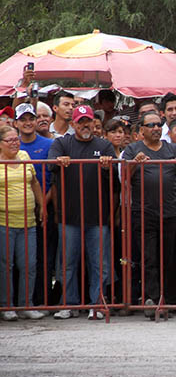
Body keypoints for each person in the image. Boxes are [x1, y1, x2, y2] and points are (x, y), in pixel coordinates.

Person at [48, 105, 119, 320]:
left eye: (88, 120)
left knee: (99, 264)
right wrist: (59, 161)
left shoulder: (105, 145)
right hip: (69, 217)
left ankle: (97, 304)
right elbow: (50, 162)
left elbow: (115, 181)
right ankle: (68, 304)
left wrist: (108, 168)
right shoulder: (62, 143)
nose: (85, 125)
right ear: (73, 124)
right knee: (67, 263)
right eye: (80, 121)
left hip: (98, 217)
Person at [122, 110, 176, 319]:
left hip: (169, 212)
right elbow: (123, 178)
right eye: (151, 125)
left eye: (159, 125)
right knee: (149, 257)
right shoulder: (132, 149)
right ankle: (152, 298)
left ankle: (166, 299)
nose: (156, 128)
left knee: (167, 258)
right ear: (141, 130)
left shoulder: (172, 147)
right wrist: (134, 164)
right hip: (143, 212)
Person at [0, 126, 45, 321]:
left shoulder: (25, 156)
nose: (14, 143)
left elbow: (34, 182)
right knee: (6, 265)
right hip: (4, 221)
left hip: (28, 221)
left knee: (29, 265)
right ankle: (6, 306)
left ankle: (26, 304)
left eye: (16, 139)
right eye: (9, 140)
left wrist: (42, 205)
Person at [14, 104, 54, 309]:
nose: (28, 123)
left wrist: (43, 205)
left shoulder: (49, 144)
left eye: (31, 118)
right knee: (15, 259)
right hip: (16, 210)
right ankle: (14, 302)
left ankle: (41, 300)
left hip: (44, 208)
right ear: (16, 123)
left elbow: (54, 179)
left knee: (42, 257)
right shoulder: (11, 145)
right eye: (23, 119)